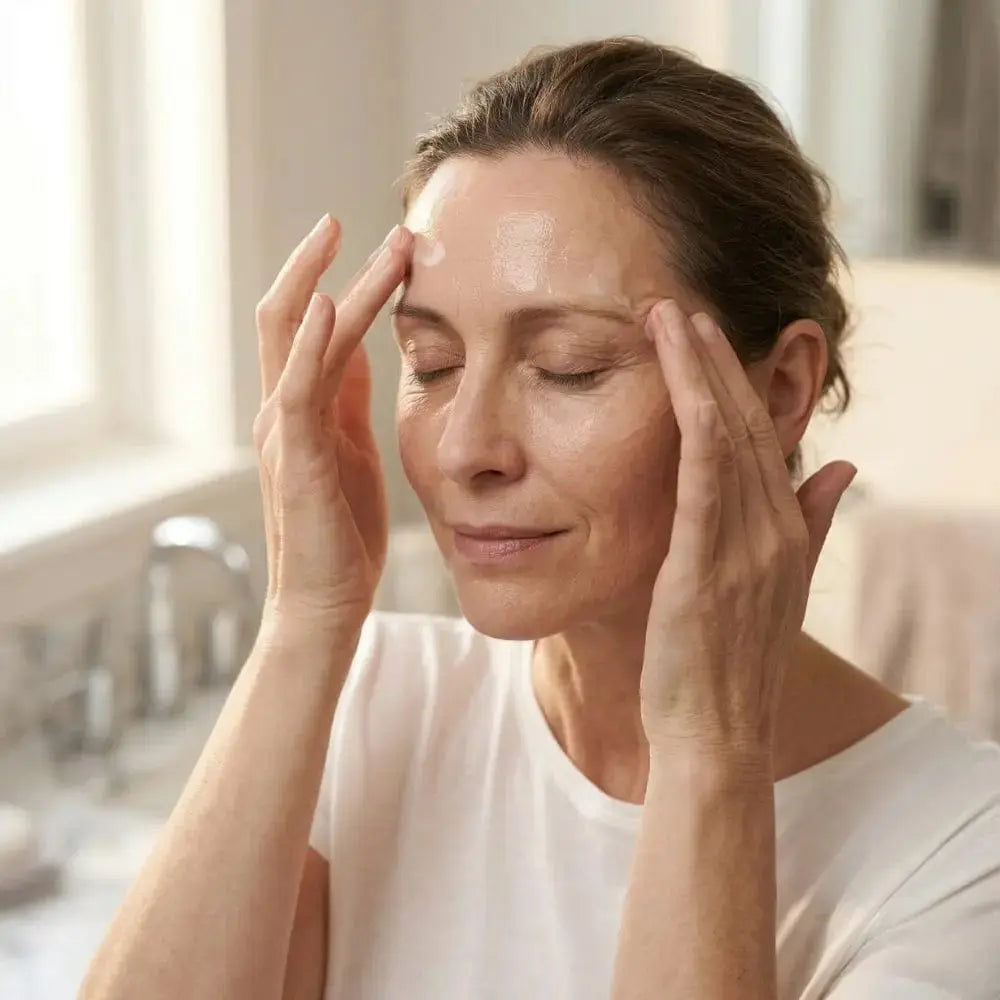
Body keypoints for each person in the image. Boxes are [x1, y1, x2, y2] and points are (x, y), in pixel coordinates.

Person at [79, 37, 1000, 1000]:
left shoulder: (955, 855)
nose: (466, 447)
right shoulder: (377, 701)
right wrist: (303, 623)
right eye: (431, 363)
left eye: (569, 367)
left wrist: (709, 754)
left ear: (778, 391)